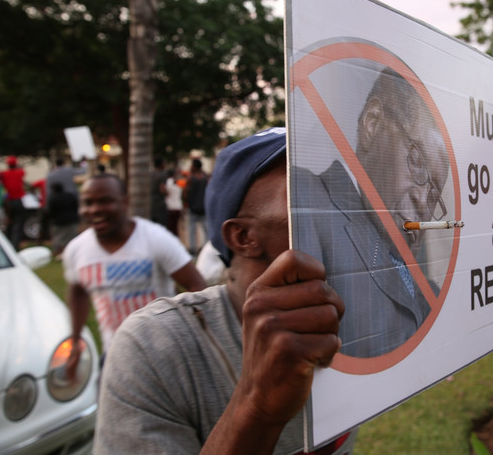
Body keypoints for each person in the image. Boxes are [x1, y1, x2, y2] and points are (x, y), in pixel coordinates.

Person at [94, 129, 356, 454]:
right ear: (243, 236)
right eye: (305, 191)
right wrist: (257, 406)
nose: (341, 209)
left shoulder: (346, 317)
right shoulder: (153, 349)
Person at [291, 67, 449, 358]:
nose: (421, 199)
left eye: (435, 194)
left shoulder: (409, 258)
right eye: (418, 164)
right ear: (373, 123)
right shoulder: (306, 196)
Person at [63, 173, 206, 371]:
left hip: (164, 358)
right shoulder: (77, 250)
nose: (95, 209)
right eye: (88, 202)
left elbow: (196, 284)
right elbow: (78, 293)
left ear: (125, 202)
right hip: (115, 357)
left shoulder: (156, 240)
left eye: (105, 201)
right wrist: (75, 343)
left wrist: (193, 337)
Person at [0, 155, 26, 249]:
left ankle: (7, 243)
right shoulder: (20, 172)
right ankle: (15, 244)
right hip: (17, 201)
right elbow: (22, 171)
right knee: (18, 222)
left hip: (7, 202)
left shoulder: (3, 174)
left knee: (9, 222)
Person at [183, 158, 208, 255]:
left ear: (194, 167)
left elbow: (185, 193)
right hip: (203, 208)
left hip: (192, 208)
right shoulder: (205, 178)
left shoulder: (191, 178)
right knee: (206, 231)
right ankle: (205, 249)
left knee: (191, 230)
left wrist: (185, 204)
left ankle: (192, 250)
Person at [47, 182, 79, 257]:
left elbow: (51, 211)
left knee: (58, 238)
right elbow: (76, 206)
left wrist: (53, 219)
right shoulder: (70, 196)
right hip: (71, 220)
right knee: (71, 237)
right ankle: (72, 252)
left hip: (58, 221)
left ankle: (58, 253)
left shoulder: (53, 198)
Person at [164, 168, 183, 237]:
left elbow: (165, 191)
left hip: (170, 207)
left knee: (171, 226)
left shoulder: (168, 182)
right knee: (175, 226)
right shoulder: (178, 183)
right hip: (178, 206)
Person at [150, 156, 168, 226]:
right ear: (161, 164)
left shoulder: (150, 174)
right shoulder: (162, 174)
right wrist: (168, 193)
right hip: (160, 205)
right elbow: (162, 189)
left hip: (151, 205)